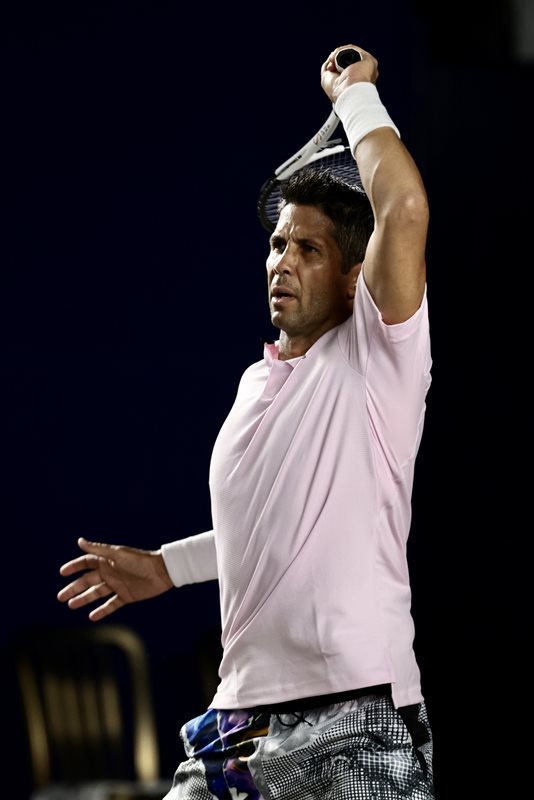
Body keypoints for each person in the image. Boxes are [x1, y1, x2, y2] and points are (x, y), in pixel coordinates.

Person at [57, 42, 435, 800]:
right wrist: (168, 567)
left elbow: (403, 209)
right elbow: (272, 529)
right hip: (238, 723)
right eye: (276, 243)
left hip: (355, 719)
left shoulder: (379, 359)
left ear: (355, 278)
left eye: (308, 249)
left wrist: (354, 97)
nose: (281, 261)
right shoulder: (254, 385)